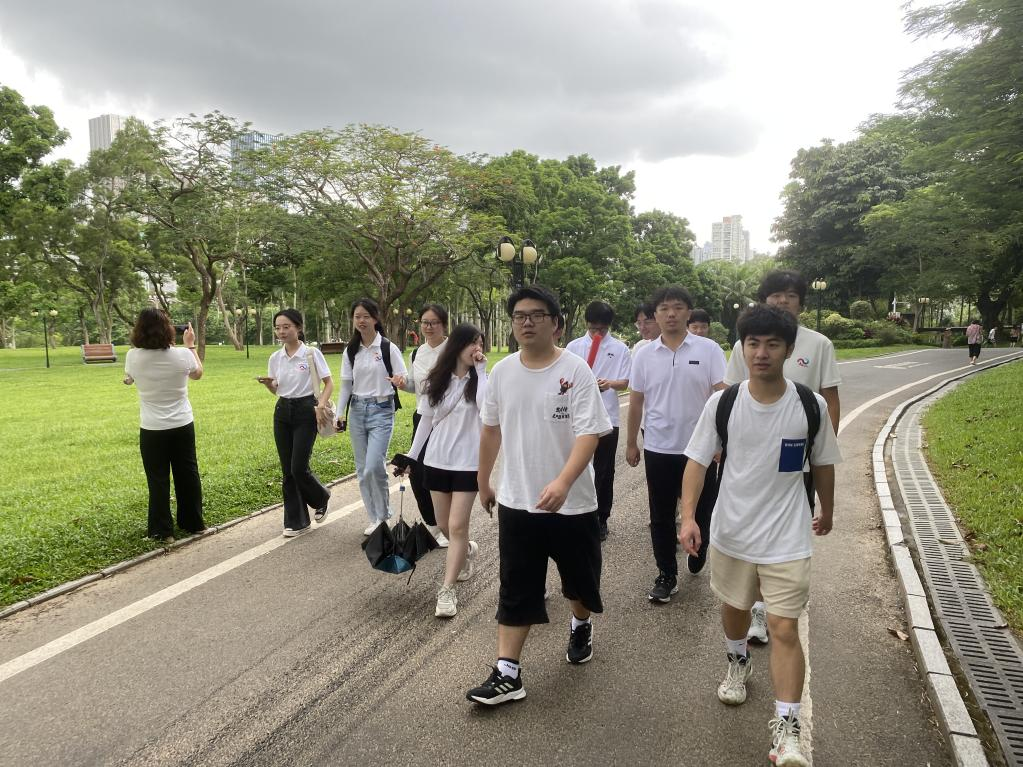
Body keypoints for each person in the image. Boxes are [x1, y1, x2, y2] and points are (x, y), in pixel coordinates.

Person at [679, 304, 842, 767]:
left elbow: (823, 464)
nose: (762, 352)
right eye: (753, 343)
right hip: (732, 531)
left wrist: (828, 510)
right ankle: (737, 661)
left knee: (783, 626)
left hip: (787, 536)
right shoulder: (724, 404)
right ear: (742, 348)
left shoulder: (809, 406)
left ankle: (787, 729)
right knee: (734, 610)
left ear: (789, 350)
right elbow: (696, 461)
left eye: (773, 344)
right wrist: (688, 517)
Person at [467, 284, 611, 706]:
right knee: (516, 587)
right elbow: (490, 430)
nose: (526, 322)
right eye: (519, 316)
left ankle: (580, 624)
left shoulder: (576, 371)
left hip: (573, 504)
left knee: (578, 585)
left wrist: (563, 482)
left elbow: (589, 434)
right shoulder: (502, 372)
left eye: (537, 315)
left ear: (557, 324)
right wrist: (483, 480)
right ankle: (508, 673)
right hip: (518, 501)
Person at [723, 269, 841, 644]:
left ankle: (769, 604)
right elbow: (729, 394)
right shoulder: (747, 343)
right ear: (764, 300)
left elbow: (830, 398)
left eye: (791, 295)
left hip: (797, 455)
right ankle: (756, 600)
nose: (783, 301)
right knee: (750, 526)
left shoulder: (818, 344)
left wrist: (823, 445)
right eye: (775, 295)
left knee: (787, 526)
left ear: (801, 303)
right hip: (752, 453)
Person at [626, 286, 726, 600]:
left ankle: (699, 548)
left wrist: (722, 442)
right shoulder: (644, 355)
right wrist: (631, 442)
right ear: (655, 315)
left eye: (678, 307)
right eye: (664, 308)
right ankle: (666, 574)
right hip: (659, 447)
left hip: (701, 449)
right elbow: (636, 401)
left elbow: (722, 395)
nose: (671, 314)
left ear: (688, 312)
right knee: (660, 514)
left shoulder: (708, 350)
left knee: (702, 508)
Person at [396, 323, 488, 618]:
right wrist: (411, 457)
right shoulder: (435, 380)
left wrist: (482, 371)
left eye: (480, 343)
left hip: (468, 464)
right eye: (472, 343)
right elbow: (425, 420)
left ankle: (446, 591)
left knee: (457, 526)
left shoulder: (481, 380)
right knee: (444, 524)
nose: (477, 348)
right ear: (457, 346)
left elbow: (487, 411)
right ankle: (467, 550)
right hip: (436, 460)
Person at [124, 309, 205, 542]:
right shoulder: (182, 355)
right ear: (167, 329)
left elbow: (130, 377)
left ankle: (162, 531)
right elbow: (198, 374)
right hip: (182, 423)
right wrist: (190, 345)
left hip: (152, 427)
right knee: (187, 472)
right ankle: (193, 523)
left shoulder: (133, 356)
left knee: (157, 478)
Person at [258, 309, 333, 537]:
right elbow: (277, 390)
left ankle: (321, 497)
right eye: (278, 328)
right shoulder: (275, 358)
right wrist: (268, 384)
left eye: (286, 327)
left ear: (298, 328)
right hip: (282, 411)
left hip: (307, 410)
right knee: (287, 470)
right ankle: (296, 521)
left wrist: (320, 405)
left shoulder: (310, 353)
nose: (281, 331)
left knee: (298, 467)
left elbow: (329, 383)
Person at [336, 298, 408, 535]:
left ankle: (383, 514)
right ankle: (375, 518)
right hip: (357, 410)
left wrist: (399, 381)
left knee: (374, 466)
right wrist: (339, 413)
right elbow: (346, 385)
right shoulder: (351, 351)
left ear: (376, 319)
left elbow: (403, 377)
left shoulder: (387, 347)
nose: (361, 321)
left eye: (366, 316)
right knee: (362, 469)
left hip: (382, 409)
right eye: (357, 316)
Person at [566, 300, 631, 541]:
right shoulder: (573, 347)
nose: (598, 333)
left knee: (604, 469)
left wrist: (608, 383)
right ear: (587, 324)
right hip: (577, 417)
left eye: (602, 329)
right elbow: (565, 379)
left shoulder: (620, 349)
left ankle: (601, 517)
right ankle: (576, 513)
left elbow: (625, 382)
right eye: (593, 328)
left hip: (608, 416)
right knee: (576, 465)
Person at [400, 303, 450, 547]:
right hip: (422, 416)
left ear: (444, 325)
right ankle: (433, 524)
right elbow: (414, 386)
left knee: (441, 471)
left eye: (434, 323)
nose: (429, 327)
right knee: (417, 471)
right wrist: (402, 384)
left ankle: (448, 525)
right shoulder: (416, 353)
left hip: (448, 420)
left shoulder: (454, 350)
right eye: (425, 323)